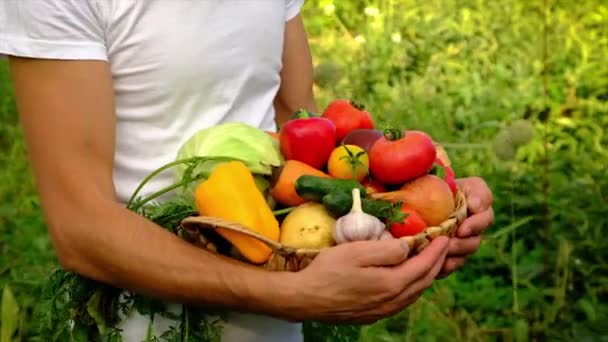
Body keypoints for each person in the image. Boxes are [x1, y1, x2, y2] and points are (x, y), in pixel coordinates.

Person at [0, 1, 494, 341]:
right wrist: (291, 294)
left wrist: (425, 191)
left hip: (276, 323)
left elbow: (304, 134)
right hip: (144, 322)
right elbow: (80, 226)